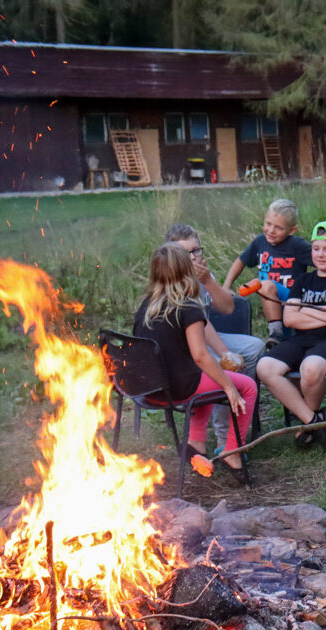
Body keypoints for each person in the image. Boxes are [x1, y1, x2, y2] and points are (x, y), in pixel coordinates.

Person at [132, 242, 258, 485]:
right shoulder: (188, 307)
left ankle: (195, 443)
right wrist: (229, 387)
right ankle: (233, 453)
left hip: (149, 388)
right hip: (178, 388)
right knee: (247, 387)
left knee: (205, 377)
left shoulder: (147, 305)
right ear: (186, 270)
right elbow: (201, 355)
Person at [256, 220, 326, 454]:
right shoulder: (304, 281)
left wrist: (307, 311)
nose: (320, 255)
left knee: (311, 368)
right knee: (265, 367)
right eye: (316, 249)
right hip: (301, 340)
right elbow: (289, 319)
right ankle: (313, 422)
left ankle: (308, 426)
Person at [165, 223, 265, 453]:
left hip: (206, 335)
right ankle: (225, 438)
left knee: (255, 347)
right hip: (186, 346)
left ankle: (237, 417)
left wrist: (208, 281)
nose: (193, 257)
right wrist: (224, 355)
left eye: (196, 250)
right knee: (221, 364)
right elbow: (198, 326)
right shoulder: (171, 281)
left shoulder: (202, 274)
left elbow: (228, 308)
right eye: (186, 253)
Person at [222, 198, 312, 345]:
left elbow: (322, 262)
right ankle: (277, 336)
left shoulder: (297, 245)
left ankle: (276, 333)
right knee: (264, 287)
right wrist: (226, 286)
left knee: (265, 285)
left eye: (279, 228)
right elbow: (241, 261)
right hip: (272, 307)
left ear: (291, 230)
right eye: (268, 224)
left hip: (292, 301)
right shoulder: (260, 242)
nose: (271, 231)